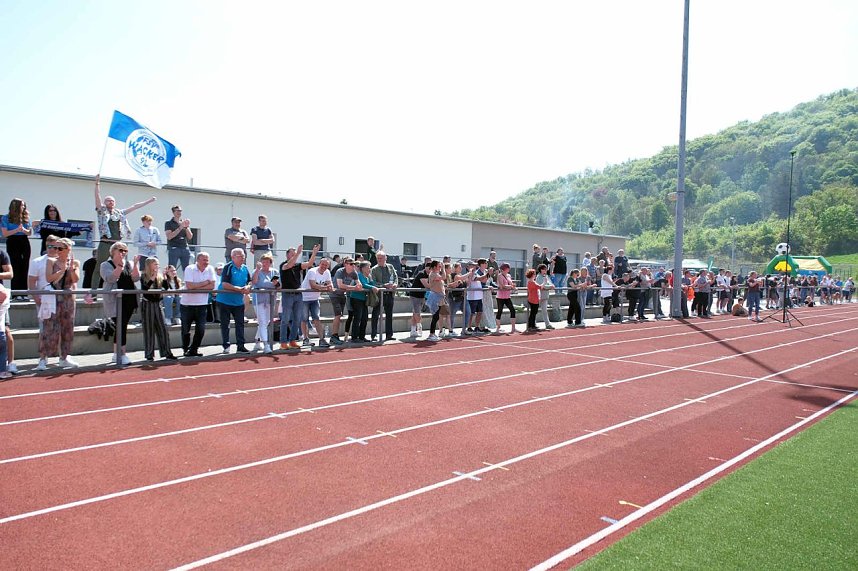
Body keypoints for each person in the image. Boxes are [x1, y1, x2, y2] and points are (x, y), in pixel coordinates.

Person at [34, 238, 80, 370]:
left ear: (68, 250)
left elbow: (75, 279)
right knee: (49, 328)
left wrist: (71, 269)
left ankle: (65, 357)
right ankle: (43, 358)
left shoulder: (75, 262)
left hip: (68, 299)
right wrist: (62, 270)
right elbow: (49, 278)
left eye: (60, 248)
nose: (56, 251)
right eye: (55, 248)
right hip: (53, 298)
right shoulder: (51, 261)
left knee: (67, 328)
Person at [94, 174, 156, 269]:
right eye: (108, 201)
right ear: (105, 202)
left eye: (112, 201)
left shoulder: (119, 213)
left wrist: (149, 201)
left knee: (120, 266)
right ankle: (95, 284)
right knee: (99, 266)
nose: (110, 202)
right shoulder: (102, 212)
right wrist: (97, 183)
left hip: (117, 244)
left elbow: (134, 206)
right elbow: (97, 197)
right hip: (105, 243)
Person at [99, 242, 140, 365]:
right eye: (121, 250)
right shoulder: (105, 264)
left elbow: (136, 278)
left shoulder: (129, 264)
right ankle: (121, 353)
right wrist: (119, 268)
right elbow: (110, 278)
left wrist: (136, 265)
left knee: (122, 326)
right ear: (113, 251)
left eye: (125, 251)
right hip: (115, 300)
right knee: (120, 325)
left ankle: (117, 353)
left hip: (129, 299)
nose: (123, 253)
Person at [279, 244, 319, 350]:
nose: (295, 256)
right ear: (287, 255)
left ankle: (292, 340)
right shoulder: (283, 265)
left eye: (295, 254)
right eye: (292, 254)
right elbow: (289, 265)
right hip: (287, 295)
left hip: (298, 294)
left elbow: (310, 264)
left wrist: (314, 252)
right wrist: (297, 253)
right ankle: (283, 342)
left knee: (297, 319)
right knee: (285, 319)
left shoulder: (298, 265)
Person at [139, 258, 177, 361]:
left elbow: (167, 288)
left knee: (163, 328)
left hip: (158, 303)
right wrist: (153, 277)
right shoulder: (144, 276)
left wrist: (165, 278)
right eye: (155, 264)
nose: (157, 266)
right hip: (147, 304)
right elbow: (145, 289)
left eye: (158, 264)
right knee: (149, 329)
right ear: (149, 265)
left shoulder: (160, 276)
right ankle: (149, 354)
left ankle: (167, 352)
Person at [180, 252, 217, 357]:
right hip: (187, 305)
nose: (206, 262)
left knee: (201, 329)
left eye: (207, 260)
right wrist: (205, 283)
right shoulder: (189, 268)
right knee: (185, 329)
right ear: (198, 260)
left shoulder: (210, 269)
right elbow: (190, 286)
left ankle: (194, 349)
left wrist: (197, 287)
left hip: (202, 304)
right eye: (204, 260)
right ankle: (185, 348)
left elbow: (212, 286)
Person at [218, 248, 252, 353]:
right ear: (233, 257)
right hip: (225, 300)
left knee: (240, 323)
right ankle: (226, 346)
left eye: (243, 255)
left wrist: (247, 287)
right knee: (225, 324)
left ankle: (241, 346)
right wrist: (238, 289)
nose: (243, 257)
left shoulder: (245, 268)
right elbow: (224, 284)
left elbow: (250, 281)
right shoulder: (228, 267)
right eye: (240, 256)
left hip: (238, 301)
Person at [2, 198, 32, 300]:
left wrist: (24, 230)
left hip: (24, 241)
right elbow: (5, 233)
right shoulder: (6, 218)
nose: (23, 207)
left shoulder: (25, 217)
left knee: (24, 266)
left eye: (24, 205)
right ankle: (16, 294)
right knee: (15, 266)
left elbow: (29, 232)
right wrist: (17, 230)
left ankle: (24, 294)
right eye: (22, 205)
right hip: (13, 241)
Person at [300, 257, 334, 348]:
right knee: (304, 319)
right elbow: (313, 285)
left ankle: (321, 339)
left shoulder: (327, 273)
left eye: (326, 265)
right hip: (304, 298)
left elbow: (330, 285)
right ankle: (305, 339)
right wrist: (325, 288)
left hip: (315, 298)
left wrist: (327, 287)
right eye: (322, 264)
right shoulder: (312, 271)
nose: (324, 266)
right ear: (319, 264)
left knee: (317, 318)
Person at [251, 253, 278, 353]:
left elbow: (279, 286)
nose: (265, 264)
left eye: (267, 262)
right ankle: (266, 344)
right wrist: (257, 270)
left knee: (265, 322)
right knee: (262, 322)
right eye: (263, 262)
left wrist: (276, 284)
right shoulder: (256, 271)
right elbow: (254, 282)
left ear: (270, 263)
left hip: (270, 300)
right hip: (259, 300)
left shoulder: (275, 272)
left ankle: (257, 341)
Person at [370, 251, 398, 342]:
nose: (379, 260)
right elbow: (373, 282)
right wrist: (383, 285)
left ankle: (389, 335)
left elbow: (395, 277)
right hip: (379, 295)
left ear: (385, 258)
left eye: (381, 258)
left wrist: (395, 284)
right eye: (378, 258)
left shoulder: (390, 267)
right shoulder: (374, 269)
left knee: (389, 315)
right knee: (375, 315)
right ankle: (374, 335)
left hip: (389, 294)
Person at [332, 258, 359, 344]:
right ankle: (334, 336)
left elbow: (359, 283)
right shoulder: (340, 271)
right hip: (334, 294)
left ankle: (335, 336)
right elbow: (340, 285)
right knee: (338, 315)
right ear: (345, 264)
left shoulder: (354, 273)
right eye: (351, 264)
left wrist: (359, 286)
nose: (353, 266)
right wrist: (354, 288)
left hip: (342, 295)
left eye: (354, 264)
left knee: (339, 315)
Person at [350, 261, 378, 343]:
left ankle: (362, 336)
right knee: (357, 317)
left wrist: (371, 280)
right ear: (362, 268)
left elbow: (372, 283)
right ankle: (354, 337)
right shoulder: (359, 275)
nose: (369, 269)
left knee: (364, 318)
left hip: (363, 300)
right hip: (356, 298)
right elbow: (363, 284)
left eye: (370, 267)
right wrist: (372, 287)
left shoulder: (367, 276)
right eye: (368, 267)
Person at [164, 205, 193, 274]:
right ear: (173, 212)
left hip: (184, 248)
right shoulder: (168, 223)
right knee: (171, 269)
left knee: (187, 269)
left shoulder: (183, 222)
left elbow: (190, 237)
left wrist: (186, 227)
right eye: (178, 211)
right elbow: (169, 236)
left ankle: (187, 283)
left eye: (180, 211)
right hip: (174, 248)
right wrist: (180, 227)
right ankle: (169, 283)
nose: (179, 212)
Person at [425, 260, 448, 342]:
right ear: (434, 267)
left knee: (436, 316)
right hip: (435, 297)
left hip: (439, 297)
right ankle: (431, 334)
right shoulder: (433, 274)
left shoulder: (436, 274)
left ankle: (432, 333)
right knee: (435, 316)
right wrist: (444, 269)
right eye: (439, 266)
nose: (440, 268)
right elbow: (444, 277)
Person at [495, 263, 518, 334]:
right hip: (500, 296)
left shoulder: (509, 275)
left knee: (512, 310)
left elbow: (510, 284)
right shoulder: (499, 275)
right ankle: (498, 328)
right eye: (507, 268)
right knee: (500, 311)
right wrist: (511, 287)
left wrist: (513, 286)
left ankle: (513, 328)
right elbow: (502, 286)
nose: (509, 269)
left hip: (507, 296)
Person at [408, 261, 429, 338]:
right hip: (415, 295)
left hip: (421, 295)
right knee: (417, 313)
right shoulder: (422, 273)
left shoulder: (430, 274)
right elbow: (427, 285)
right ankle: (419, 327)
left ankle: (413, 330)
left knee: (415, 313)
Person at [535, 263, 555, 329]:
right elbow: (541, 286)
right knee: (535, 311)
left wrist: (551, 286)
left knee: (544, 311)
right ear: (540, 270)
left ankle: (547, 324)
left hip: (545, 296)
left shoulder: (546, 276)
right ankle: (533, 323)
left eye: (546, 269)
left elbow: (550, 284)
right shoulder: (538, 277)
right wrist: (550, 286)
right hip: (539, 296)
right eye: (544, 269)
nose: (545, 270)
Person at [0, 282, 10, 378]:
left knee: (3, 351)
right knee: (2, 352)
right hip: (1, 332)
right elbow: (5, 295)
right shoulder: (2, 289)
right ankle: (2, 372)